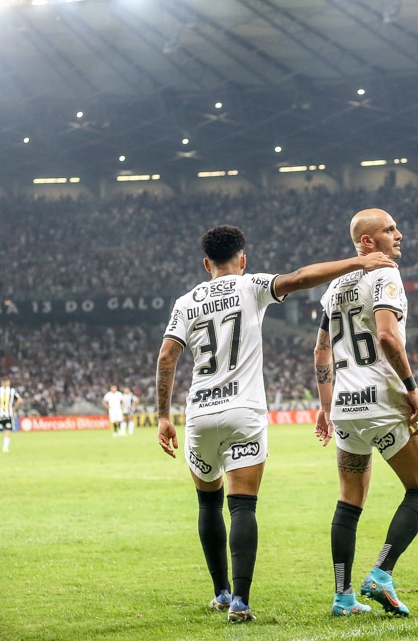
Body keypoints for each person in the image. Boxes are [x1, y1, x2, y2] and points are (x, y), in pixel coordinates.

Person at [155, 224, 395, 624]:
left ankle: (220, 591)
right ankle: (241, 602)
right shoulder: (252, 285)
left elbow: (166, 357)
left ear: (205, 264)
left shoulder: (185, 302)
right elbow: (301, 278)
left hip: (198, 413)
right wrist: (358, 260)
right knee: (243, 505)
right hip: (243, 412)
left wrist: (163, 416)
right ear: (243, 259)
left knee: (208, 503)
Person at [313, 208, 418, 619]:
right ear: (367, 241)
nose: (399, 234)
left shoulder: (332, 289)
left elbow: (321, 351)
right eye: (389, 229)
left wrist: (325, 406)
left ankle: (343, 597)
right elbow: (386, 334)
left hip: (346, 407)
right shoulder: (385, 275)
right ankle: (381, 573)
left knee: (349, 501)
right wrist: (412, 387)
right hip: (383, 399)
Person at [0, 376, 22, 454]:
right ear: (6, 383)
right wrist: (14, 408)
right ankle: (5, 448)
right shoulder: (12, 391)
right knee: (7, 430)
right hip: (8, 414)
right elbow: (20, 400)